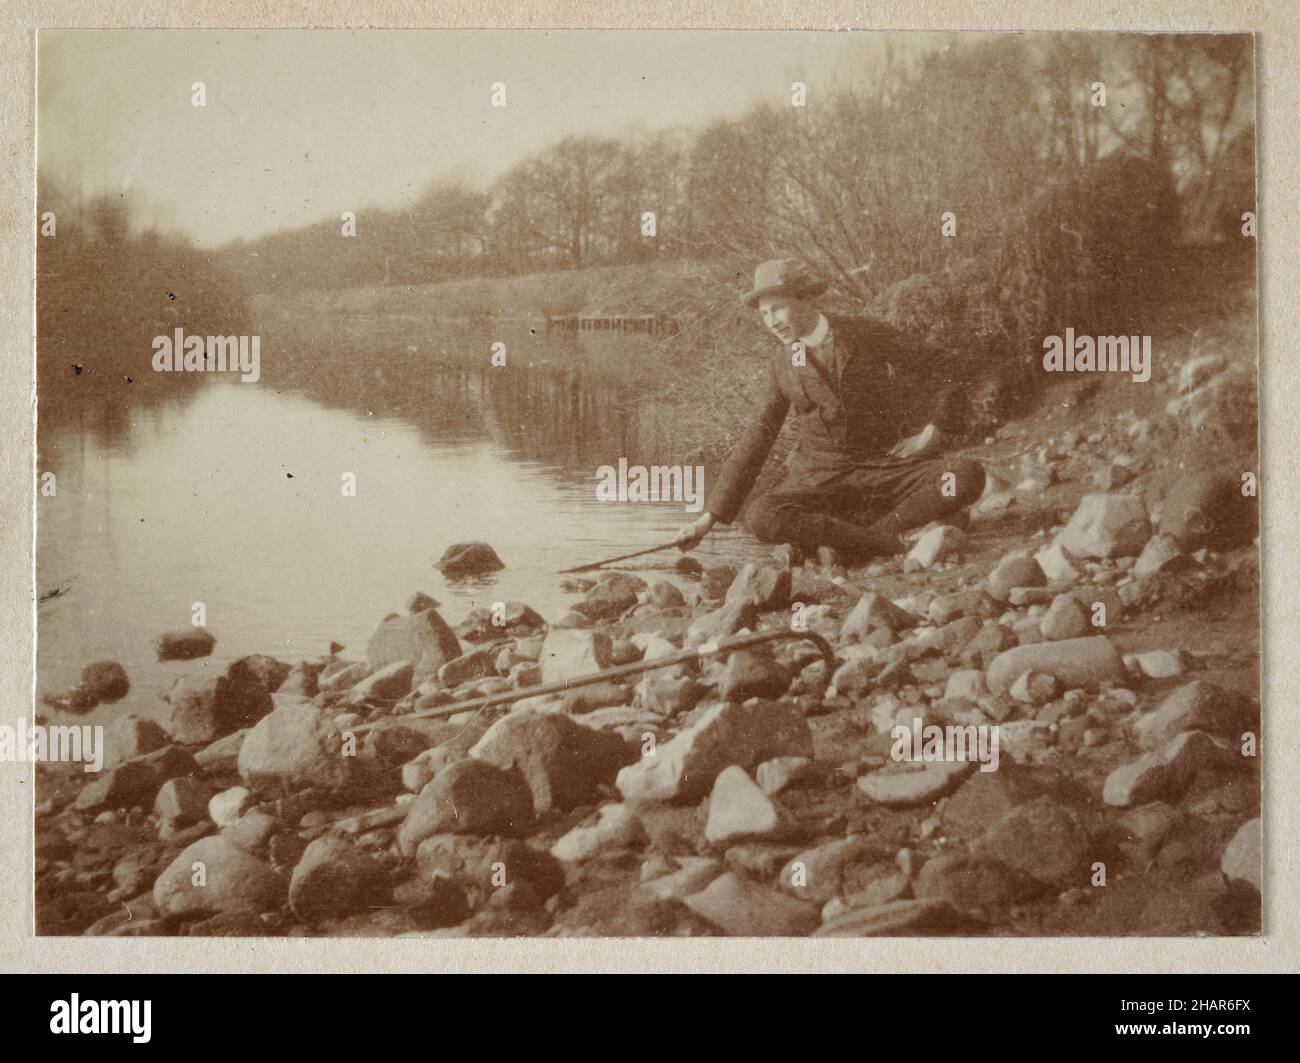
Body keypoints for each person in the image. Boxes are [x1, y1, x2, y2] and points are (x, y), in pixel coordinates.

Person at [674, 257, 985, 566]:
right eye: (765, 314)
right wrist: (708, 518)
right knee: (760, 515)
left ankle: (857, 540)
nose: (772, 321)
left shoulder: (865, 333)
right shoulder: (781, 364)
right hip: (820, 482)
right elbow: (760, 434)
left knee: (965, 475)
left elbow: (941, 365)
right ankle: (882, 540)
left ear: (807, 298)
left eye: (778, 308)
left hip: (884, 469)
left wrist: (937, 427)